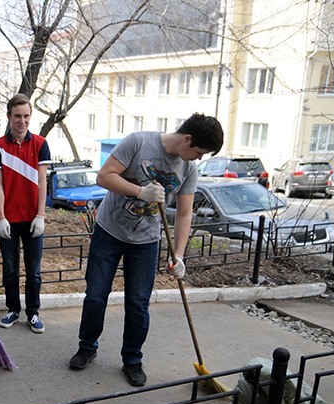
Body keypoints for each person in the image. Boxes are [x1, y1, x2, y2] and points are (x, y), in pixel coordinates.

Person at [68, 113, 224, 386]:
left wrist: (179, 254)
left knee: (138, 303)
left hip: (146, 241)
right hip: (110, 230)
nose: (197, 159)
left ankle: (132, 359)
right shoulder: (138, 142)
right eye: (198, 152)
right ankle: (87, 346)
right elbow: (104, 177)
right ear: (187, 139)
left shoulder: (188, 169)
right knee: (96, 294)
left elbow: (185, 214)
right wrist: (139, 192)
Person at [0, 93, 52, 334]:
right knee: (10, 269)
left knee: (34, 270)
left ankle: (33, 312)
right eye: (17, 116)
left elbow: (42, 181)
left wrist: (40, 215)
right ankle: (13, 309)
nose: (22, 121)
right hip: (10, 220)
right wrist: (2, 217)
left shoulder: (40, 144)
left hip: (32, 218)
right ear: (9, 117)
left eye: (26, 116)